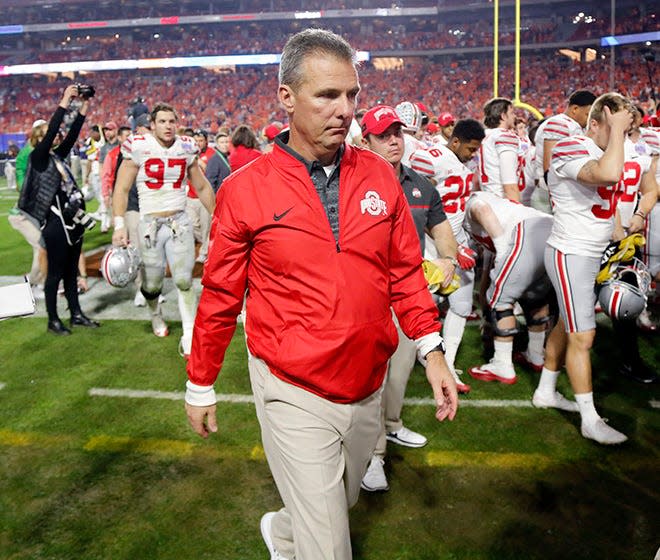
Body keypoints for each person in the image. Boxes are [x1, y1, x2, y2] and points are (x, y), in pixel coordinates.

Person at [184, 29, 458, 560]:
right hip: (291, 385)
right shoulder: (245, 188)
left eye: (352, 95)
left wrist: (432, 350)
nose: (345, 110)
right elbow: (219, 295)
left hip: (365, 381)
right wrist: (201, 383)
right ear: (287, 96)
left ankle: (282, 533)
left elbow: (404, 272)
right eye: (327, 95)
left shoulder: (380, 174)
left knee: (341, 500)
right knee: (331, 547)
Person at [359, 104, 458, 492]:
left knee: (397, 377)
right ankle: (374, 455)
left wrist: (447, 259)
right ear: (364, 141)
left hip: (404, 297)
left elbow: (441, 229)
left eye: (397, 133)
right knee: (372, 382)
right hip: (364, 300)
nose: (394, 141)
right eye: (383, 135)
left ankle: (392, 426)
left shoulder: (421, 184)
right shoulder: (352, 183)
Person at [534, 92, 635, 444]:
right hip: (571, 253)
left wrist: (620, 237)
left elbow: (614, 201)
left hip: (592, 251)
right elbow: (607, 174)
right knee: (583, 335)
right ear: (594, 123)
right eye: (616, 125)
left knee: (567, 322)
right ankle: (590, 420)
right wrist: (620, 131)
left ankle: (546, 389)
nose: (623, 133)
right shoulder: (569, 146)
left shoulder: (611, 148)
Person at [112, 103, 215, 357]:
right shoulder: (139, 146)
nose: (168, 126)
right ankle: (155, 314)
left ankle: (190, 333)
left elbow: (201, 187)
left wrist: (218, 215)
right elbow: (122, 189)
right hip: (150, 226)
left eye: (172, 121)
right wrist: (119, 224)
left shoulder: (186, 147)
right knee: (153, 284)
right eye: (163, 121)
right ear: (153, 124)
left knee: (183, 280)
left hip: (179, 222)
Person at [463, 191, 566, 400]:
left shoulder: (470, 203)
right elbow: (488, 270)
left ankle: (502, 365)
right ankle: (536, 354)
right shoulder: (502, 212)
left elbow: (480, 208)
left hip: (526, 235)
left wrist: (501, 251)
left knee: (501, 300)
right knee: (534, 297)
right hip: (550, 231)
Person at [410, 118, 485, 390]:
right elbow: (419, 207)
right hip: (431, 249)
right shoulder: (431, 159)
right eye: (471, 149)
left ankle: (449, 364)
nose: (473, 154)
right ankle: (420, 356)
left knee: (462, 307)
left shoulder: (462, 163)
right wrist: (449, 246)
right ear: (455, 142)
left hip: (458, 246)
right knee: (420, 309)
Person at [18, 84, 99, 335]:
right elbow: (56, 126)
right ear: (38, 139)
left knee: (71, 270)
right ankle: (53, 319)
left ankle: (75, 313)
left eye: (54, 135)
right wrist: (65, 100)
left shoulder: (56, 157)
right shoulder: (38, 158)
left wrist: (84, 105)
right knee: (54, 273)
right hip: (55, 225)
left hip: (72, 220)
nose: (55, 136)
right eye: (47, 135)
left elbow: (72, 133)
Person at [532, 90, 596, 212]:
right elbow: (549, 165)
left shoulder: (568, 124)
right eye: (587, 114)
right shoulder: (559, 124)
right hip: (552, 194)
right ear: (575, 109)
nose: (589, 120)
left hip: (557, 192)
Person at [8, 119, 49, 295]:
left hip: (32, 211)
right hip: (22, 214)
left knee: (40, 247)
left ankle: (35, 280)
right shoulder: (29, 153)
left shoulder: (37, 151)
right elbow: (21, 182)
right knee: (41, 246)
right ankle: (37, 282)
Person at [479, 97, 521, 202]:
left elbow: (476, 180)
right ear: (503, 116)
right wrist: (517, 212)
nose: (514, 116)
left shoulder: (485, 136)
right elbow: (509, 184)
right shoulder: (504, 136)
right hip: (501, 201)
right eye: (512, 113)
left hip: (486, 198)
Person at [186, 129, 215, 264]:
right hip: (191, 196)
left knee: (206, 226)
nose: (198, 143)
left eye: (201, 141)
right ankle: (208, 245)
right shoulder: (188, 153)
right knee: (191, 225)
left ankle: (204, 253)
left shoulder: (212, 154)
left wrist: (201, 163)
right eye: (196, 141)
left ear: (206, 141)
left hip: (203, 197)